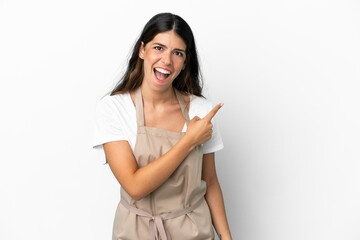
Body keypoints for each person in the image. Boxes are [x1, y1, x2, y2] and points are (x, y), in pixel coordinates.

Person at [93, 12, 232, 240]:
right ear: (142, 50)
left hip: (193, 231)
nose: (167, 61)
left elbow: (210, 181)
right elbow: (135, 186)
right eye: (159, 48)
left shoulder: (201, 111)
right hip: (135, 232)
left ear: (185, 61)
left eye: (177, 53)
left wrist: (227, 237)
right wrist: (188, 141)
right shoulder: (114, 108)